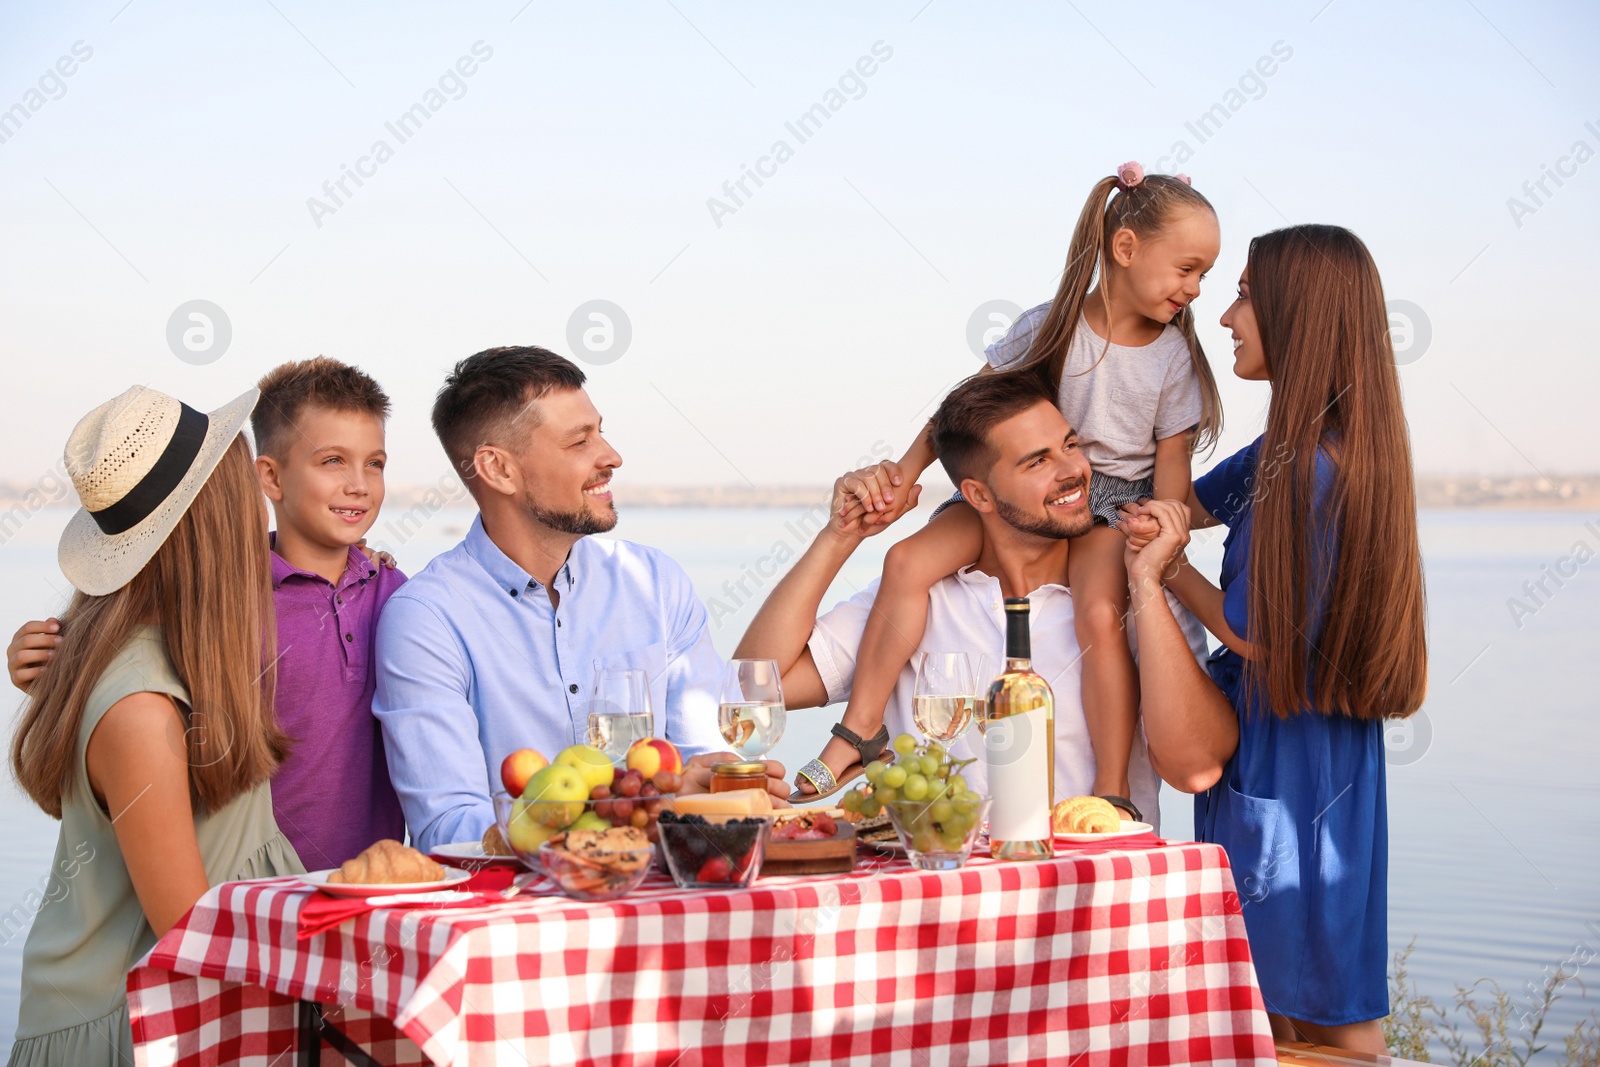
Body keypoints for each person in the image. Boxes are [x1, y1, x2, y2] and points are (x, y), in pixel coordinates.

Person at [795, 162, 1223, 815]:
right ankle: (858, 728)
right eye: (1186, 268)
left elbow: (1171, 478)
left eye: (1204, 275)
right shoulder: (1047, 325)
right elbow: (963, 409)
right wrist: (906, 474)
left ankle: (1111, 786)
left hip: (1109, 507)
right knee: (906, 561)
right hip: (1035, 489)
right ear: (1126, 248)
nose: (1195, 288)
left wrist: (1158, 528)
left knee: (1099, 618)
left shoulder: (1173, 361)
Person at [1121, 224, 1428, 1053]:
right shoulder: (1309, 447)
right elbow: (1192, 507)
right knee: (1325, 997)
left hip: (1287, 772)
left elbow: (1252, 637)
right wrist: (1160, 363)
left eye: (1247, 294)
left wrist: (1161, 567)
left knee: (1295, 1017)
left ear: (1302, 313)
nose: (1226, 313)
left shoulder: (1304, 470)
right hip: (1332, 760)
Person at [737, 371, 1209, 824]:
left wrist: (1148, 580)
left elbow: (1196, 769)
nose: (1075, 471)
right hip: (943, 893)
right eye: (1037, 461)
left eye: (1070, 445)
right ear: (978, 495)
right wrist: (839, 536)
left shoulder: (1139, 595)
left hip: (1090, 896)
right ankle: (859, 728)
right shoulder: (919, 596)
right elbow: (749, 687)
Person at [374, 346, 785, 853]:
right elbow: (452, 829)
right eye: (579, 441)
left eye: (601, 431)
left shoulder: (655, 582)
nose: (611, 456)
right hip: (511, 920)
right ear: (498, 469)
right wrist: (642, 814)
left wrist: (723, 791)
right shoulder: (426, 619)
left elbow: (704, 756)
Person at [8, 358, 408, 872]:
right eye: (332, 460)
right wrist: (50, 673)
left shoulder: (398, 595)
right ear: (270, 477)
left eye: (374, 463)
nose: (359, 484)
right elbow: (125, 702)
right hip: (246, 892)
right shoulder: (218, 607)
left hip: (374, 888)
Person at [6, 386, 303, 1066]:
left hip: (175, 1013)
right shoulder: (141, 710)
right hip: (131, 1029)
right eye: (243, 487)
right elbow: (191, 935)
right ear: (216, 521)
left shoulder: (169, 659)